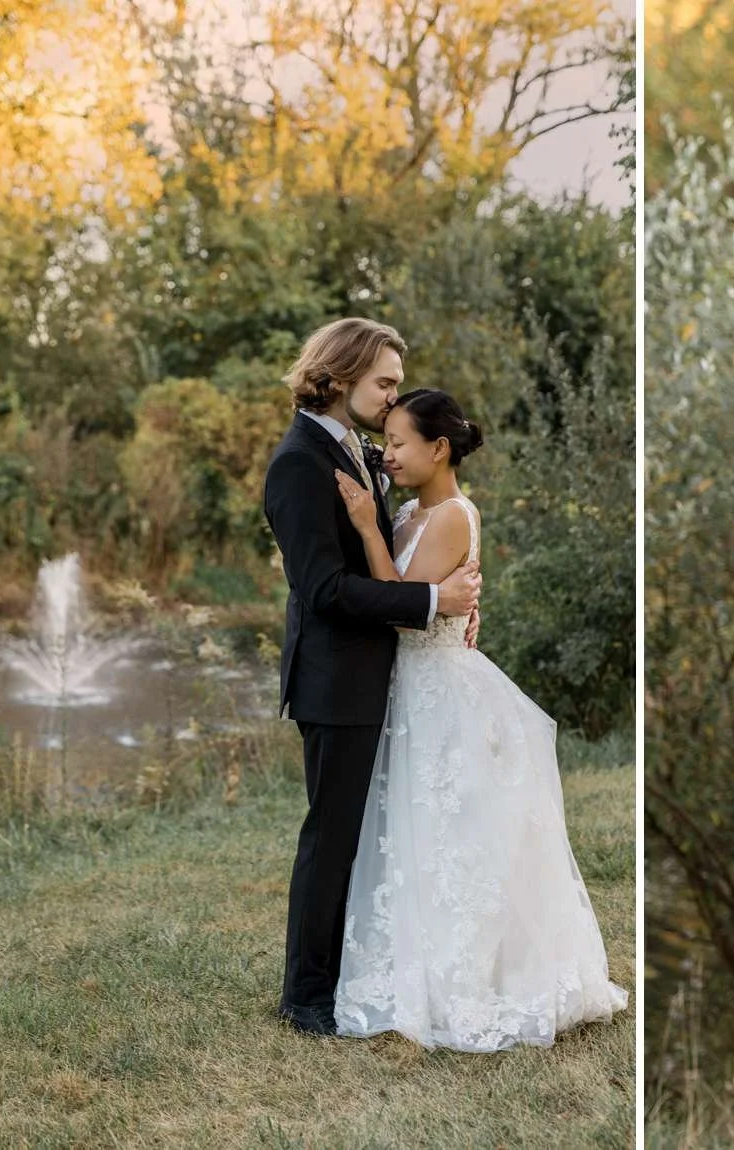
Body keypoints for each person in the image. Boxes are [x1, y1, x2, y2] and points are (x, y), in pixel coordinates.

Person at [328, 387, 628, 1051]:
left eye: (401, 442)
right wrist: (384, 532)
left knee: (450, 837)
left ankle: (467, 976)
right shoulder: (408, 512)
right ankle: (411, 962)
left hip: (440, 690)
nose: (390, 454)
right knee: (412, 835)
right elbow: (410, 595)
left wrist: (370, 533)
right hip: (408, 691)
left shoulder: (455, 517)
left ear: (439, 449)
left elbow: (400, 607)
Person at [261, 318, 479, 1037]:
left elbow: (393, 551)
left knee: (359, 836)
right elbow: (322, 590)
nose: (392, 398)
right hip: (336, 679)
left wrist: (449, 599)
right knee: (332, 838)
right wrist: (428, 602)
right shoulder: (299, 462)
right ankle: (307, 998)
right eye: (383, 382)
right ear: (341, 374)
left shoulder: (351, 448)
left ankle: (347, 972)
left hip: (377, 675)